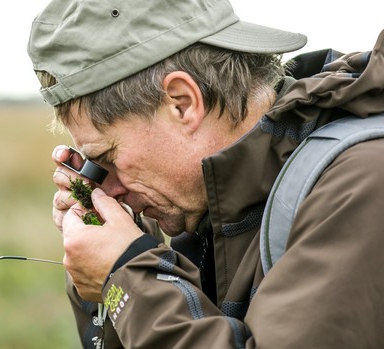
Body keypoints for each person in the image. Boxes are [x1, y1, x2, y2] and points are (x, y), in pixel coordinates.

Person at [27, 0, 384, 347]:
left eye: (108, 157)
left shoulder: (362, 183)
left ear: (182, 103)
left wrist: (128, 277)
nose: (111, 189)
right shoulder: (212, 204)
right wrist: (122, 255)